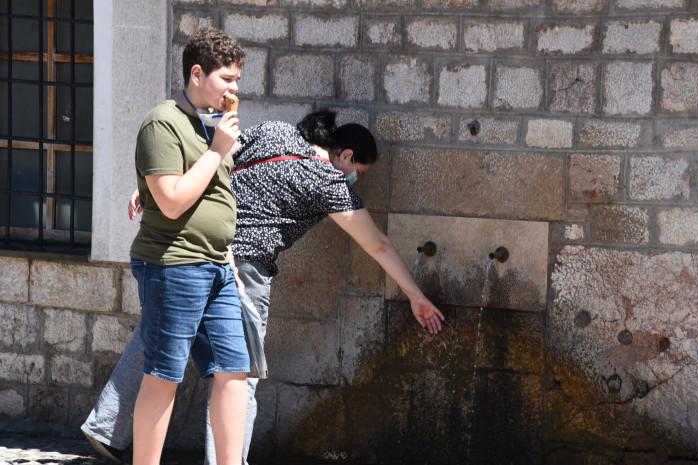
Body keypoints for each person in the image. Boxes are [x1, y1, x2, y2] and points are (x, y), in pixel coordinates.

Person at [82, 110, 445, 465]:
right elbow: (377, 244)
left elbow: (214, 157)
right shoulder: (329, 182)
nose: (356, 180)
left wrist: (154, 187)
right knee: (239, 373)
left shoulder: (274, 131)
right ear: (345, 155)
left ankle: (105, 428)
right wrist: (416, 296)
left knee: (157, 340)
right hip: (245, 266)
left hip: (196, 246)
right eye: (358, 172)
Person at [83, 28, 250, 465]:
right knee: (164, 376)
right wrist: (217, 150)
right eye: (227, 79)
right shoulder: (164, 121)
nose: (235, 89)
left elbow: (204, 192)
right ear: (197, 73)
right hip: (175, 265)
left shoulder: (210, 123)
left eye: (237, 80)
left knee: (234, 371)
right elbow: (173, 202)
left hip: (217, 265)